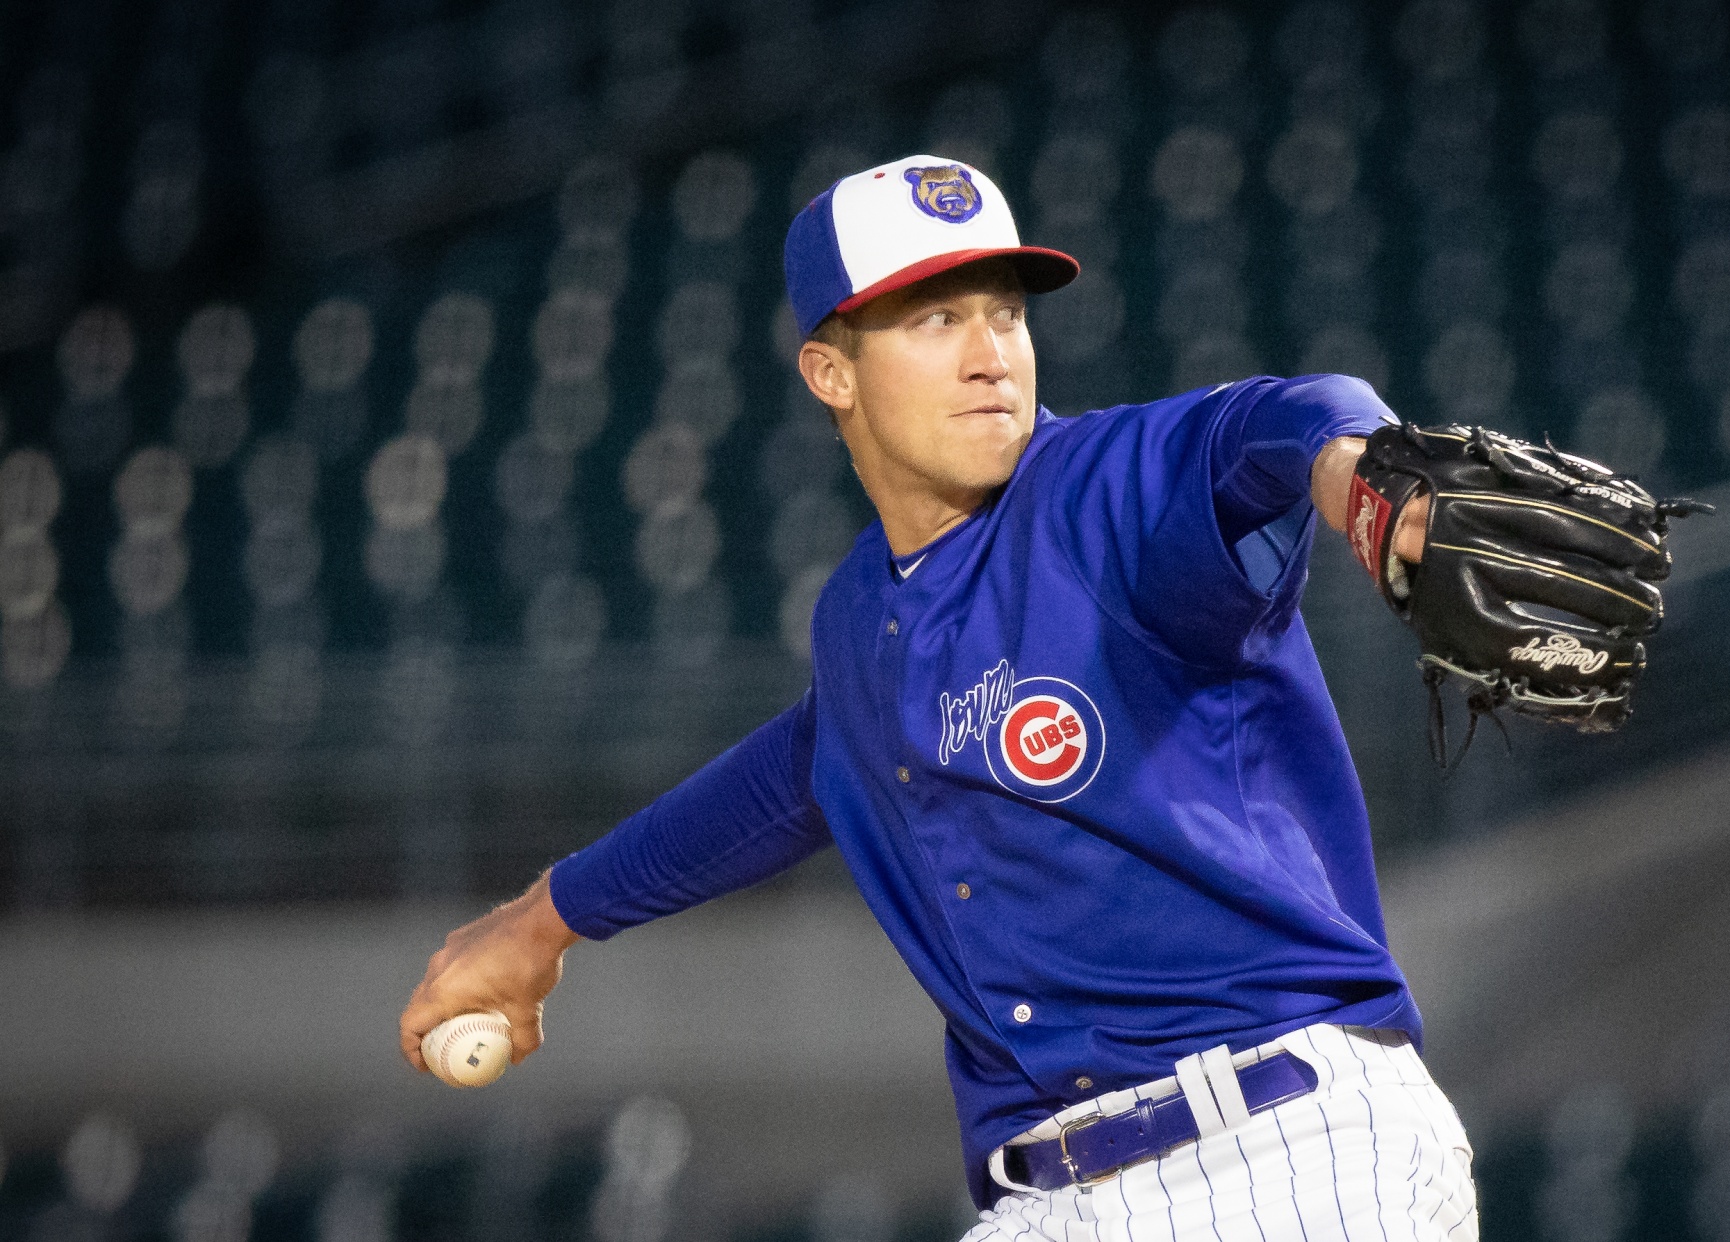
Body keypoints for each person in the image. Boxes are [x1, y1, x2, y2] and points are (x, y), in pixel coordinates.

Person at [401, 155, 1474, 1241]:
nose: (990, 356)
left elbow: (1274, 425)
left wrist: (1362, 467)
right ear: (831, 373)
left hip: (1280, 1145)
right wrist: (541, 923)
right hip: (1051, 1200)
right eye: (937, 320)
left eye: (1007, 315)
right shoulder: (861, 618)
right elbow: (789, 779)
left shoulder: (1104, 495)